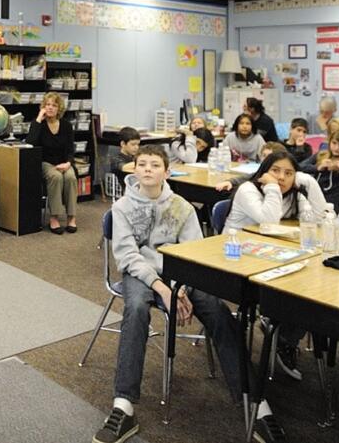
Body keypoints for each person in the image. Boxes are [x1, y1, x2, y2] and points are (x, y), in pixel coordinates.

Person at [94, 146, 288, 443]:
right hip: (141, 273)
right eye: (141, 164)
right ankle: (124, 405)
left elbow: (193, 252)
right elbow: (127, 257)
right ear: (134, 170)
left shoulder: (182, 207)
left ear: (166, 172)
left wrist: (181, 288)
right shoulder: (121, 208)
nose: (147, 169)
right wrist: (163, 289)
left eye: (154, 165)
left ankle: (256, 404)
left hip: (181, 274)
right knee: (135, 310)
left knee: (218, 311)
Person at [221, 150, 326, 380]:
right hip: (237, 257)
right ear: (264, 172)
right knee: (299, 290)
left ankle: (284, 337)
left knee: (316, 287)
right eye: (275, 171)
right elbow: (267, 219)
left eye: (289, 173)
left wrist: (306, 180)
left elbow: (320, 216)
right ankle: (277, 323)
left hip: (273, 255)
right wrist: (272, 188)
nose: (282, 177)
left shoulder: (294, 193)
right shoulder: (249, 190)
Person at [29, 91, 78, 234]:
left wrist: (68, 163)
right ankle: (54, 217)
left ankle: (71, 217)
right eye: (47, 105)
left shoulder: (66, 126)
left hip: (64, 162)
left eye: (54, 105)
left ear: (59, 109)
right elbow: (30, 143)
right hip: (46, 162)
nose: (50, 108)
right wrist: (38, 118)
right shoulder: (39, 124)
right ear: (43, 107)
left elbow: (70, 149)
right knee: (55, 177)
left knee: (70, 177)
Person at [108, 127, 142, 194]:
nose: (136, 147)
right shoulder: (116, 158)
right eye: (133, 144)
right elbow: (124, 167)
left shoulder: (135, 156)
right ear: (123, 144)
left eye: (138, 144)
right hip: (129, 191)